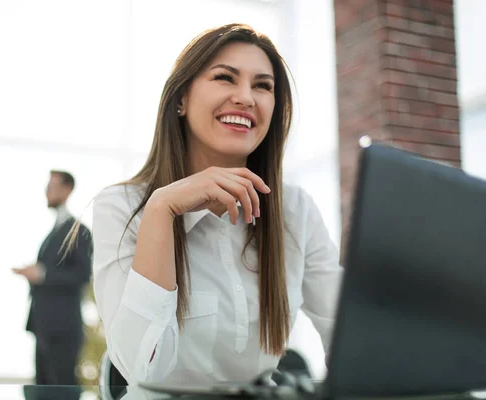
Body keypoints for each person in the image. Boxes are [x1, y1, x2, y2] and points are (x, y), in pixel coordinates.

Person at [90, 23, 344, 385]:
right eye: (225, 78)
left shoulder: (295, 210)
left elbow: (351, 337)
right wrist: (162, 210)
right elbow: (139, 367)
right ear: (181, 99)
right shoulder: (122, 206)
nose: (246, 97)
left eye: (263, 85)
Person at [13, 170, 92, 385]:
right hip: (44, 325)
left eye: (51, 187)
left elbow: (83, 274)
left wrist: (44, 274)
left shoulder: (78, 231)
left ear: (66, 190)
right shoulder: (54, 231)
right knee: (42, 387)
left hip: (63, 328)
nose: (46, 192)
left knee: (60, 388)